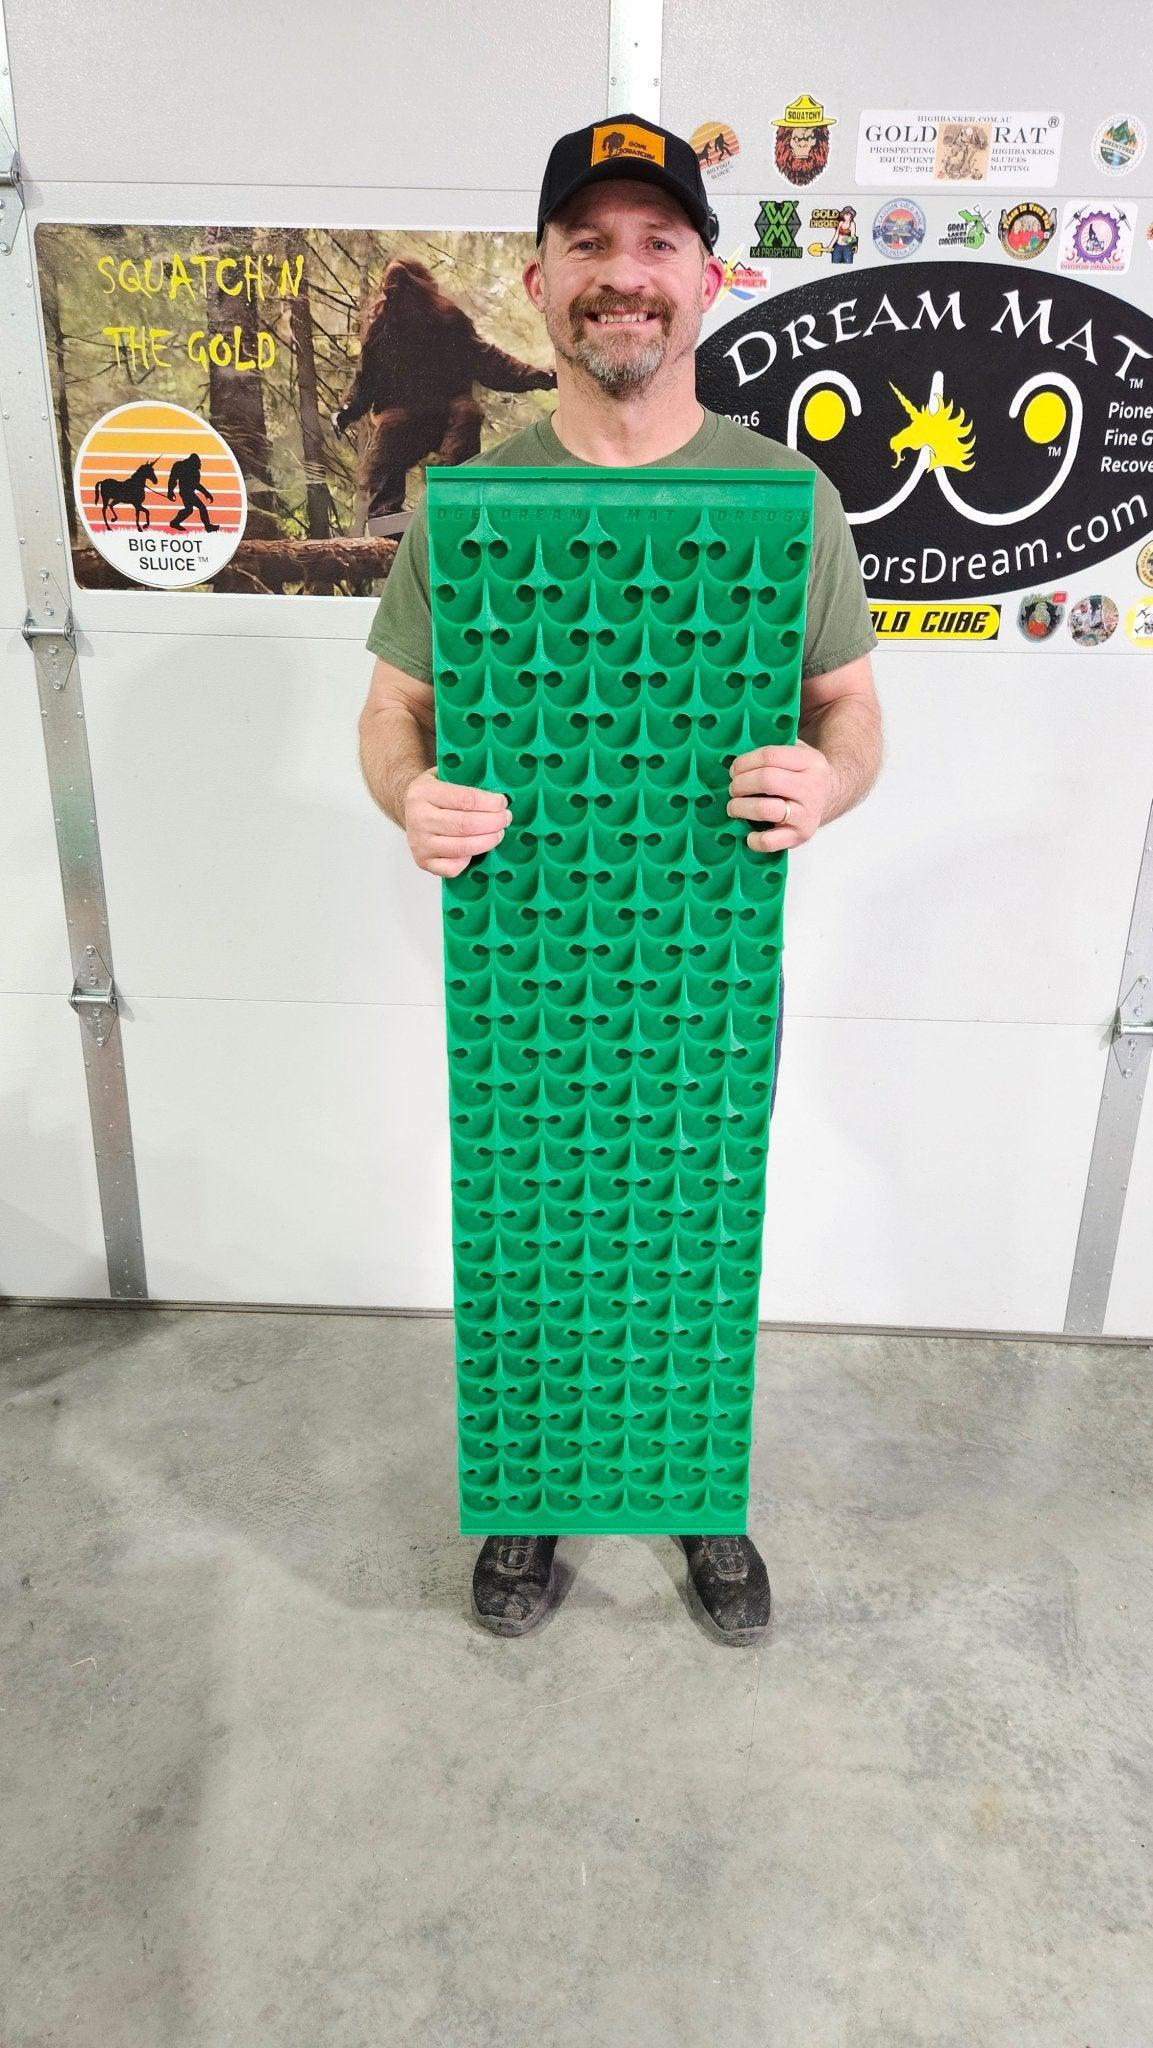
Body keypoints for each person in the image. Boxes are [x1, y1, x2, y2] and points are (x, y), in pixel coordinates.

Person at [357, 113, 882, 1645]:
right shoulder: (470, 504)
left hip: (704, 954)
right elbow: (393, 714)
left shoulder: (785, 501)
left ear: (705, 277)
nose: (622, 273)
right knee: (530, 1224)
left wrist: (826, 780)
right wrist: (411, 797)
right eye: (587, 242)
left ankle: (698, 1489)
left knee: (699, 1222)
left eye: (657, 241)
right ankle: (531, 1484)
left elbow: (850, 712)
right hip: (527, 955)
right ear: (537, 281)